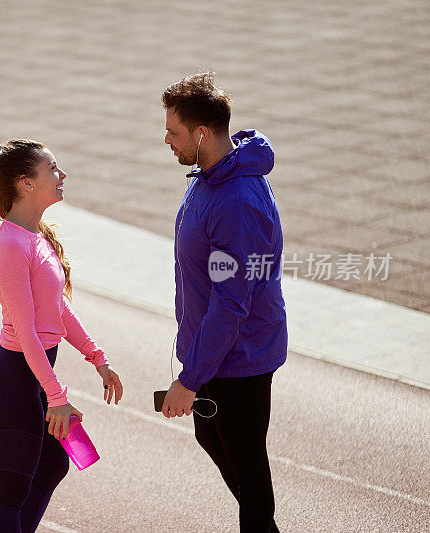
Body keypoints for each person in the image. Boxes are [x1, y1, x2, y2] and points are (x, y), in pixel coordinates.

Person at [159, 72, 288, 532]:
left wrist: (189, 379)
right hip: (215, 353)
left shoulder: (234, 199)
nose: (166, 140)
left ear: (201, 134)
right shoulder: (209, 175)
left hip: (241, 357)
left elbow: (231, 303)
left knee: (249, 472)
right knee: (212, 437)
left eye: (173, 132)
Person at [0, 139, 124, 532]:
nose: (62, 176)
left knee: (53, 463)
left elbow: (57, 308)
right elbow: (25, 331)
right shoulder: (10, 244)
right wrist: (56, 396)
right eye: (53, 169)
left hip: (33, 377)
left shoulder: (34, 238)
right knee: (10, 491)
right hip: (11, 381)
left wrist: (98, 358)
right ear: (26, 182)